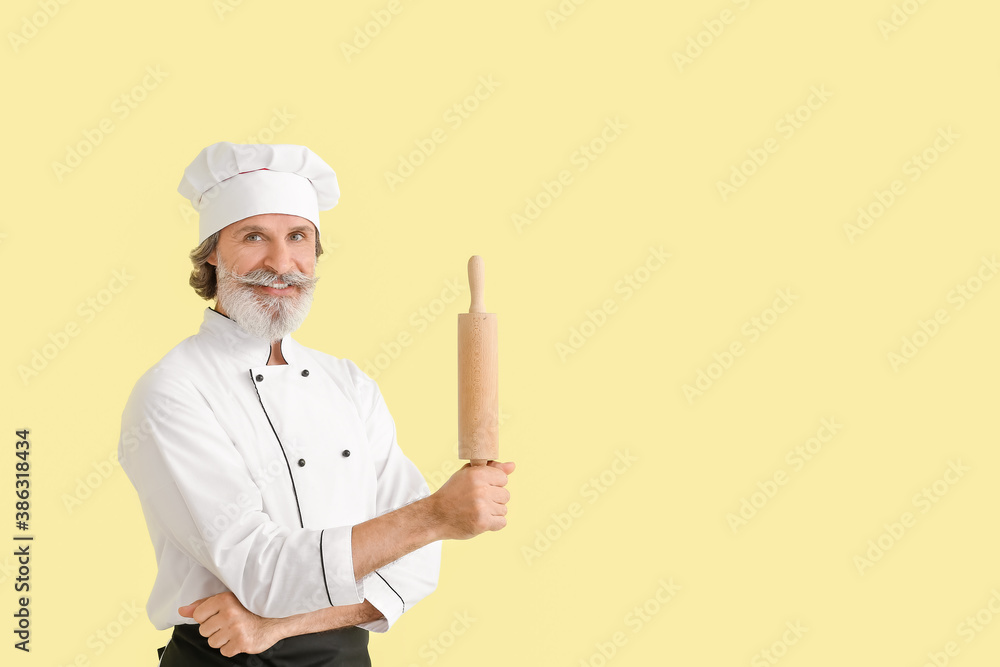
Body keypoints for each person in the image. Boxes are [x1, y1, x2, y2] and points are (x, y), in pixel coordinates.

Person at [117, 142, 514, 665]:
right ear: (212, 250)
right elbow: (263, 573)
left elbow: (415, 567)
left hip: (346, 656)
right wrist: (438, 514)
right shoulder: (173, 391)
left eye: (298, 237)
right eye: (254, 236)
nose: (282, 263)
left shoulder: (349, 384)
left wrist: (278, 625)